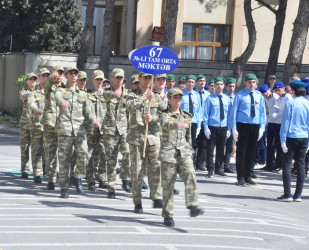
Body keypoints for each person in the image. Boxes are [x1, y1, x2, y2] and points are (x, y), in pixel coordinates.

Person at [159, 88, 204, 227]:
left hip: (184, 152)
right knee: (168, 185)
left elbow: (188, 136)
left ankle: (192, 204)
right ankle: (168, 215)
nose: (178, 100)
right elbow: (163, 124)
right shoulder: (163, 114)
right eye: (175, 97)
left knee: (190, 173)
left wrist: (190, 151)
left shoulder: (187, 116)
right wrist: (176, 124)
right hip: (169, 153)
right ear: (169, 99)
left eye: (180, 97)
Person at [55, 66, 99, 198]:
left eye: (76, 73)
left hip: (80, 130)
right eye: (71, 73)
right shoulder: (60, 90)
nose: (74, 75)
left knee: (83, 153)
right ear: (66, 76)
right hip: (65, 130)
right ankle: (64, 187)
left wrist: (94, 120)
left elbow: (89, 111)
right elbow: (57, 97)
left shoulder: (83, 94)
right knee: (64, 159)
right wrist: (62, 101)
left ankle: (78, 177)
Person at [126, 72, 165, 213]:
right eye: (146, 77)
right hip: (137, 139)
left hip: (153, 138)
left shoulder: (156, 95)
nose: (148, 80)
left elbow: (164, 112)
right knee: (137, 172)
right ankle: (137, 202)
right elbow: (129, 106)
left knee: (156, 168)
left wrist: (153, 118)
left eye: (150, 77)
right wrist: (144, 98)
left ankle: (156, 196)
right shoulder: (132, 93)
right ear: (140, 78)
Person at [231, 73, 266, 186]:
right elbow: (234, 112)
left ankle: (248, 175)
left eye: (253, 82)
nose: (251, 84)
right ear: (245, 83)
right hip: (242, 125)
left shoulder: (259, 96)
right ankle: (240, 176)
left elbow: (262, 113)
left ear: (256, 83)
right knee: (241, 152)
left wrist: (262, 127)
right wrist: (233, 128)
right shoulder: (240, 95)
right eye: (249, 82)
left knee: (252, 152)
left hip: (255, 125)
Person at [278, 81, 309, 202]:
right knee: (301, 165)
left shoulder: (290, 103)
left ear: (293, 91)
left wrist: (282, 140)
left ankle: (287, 194)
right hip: (304, 137)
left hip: (291, 136)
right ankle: (298, 195)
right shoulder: (308, 104)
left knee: (286, 164)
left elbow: (285, 122)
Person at [102, 68, 131, 198]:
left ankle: (125, 178)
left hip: (124, 130)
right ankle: (111, 187)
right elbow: (110, 96)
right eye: (117, 77)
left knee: (128, 154)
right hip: (110, 131)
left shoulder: (129, 94)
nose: (119, 80)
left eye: (121, 78)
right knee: (111, 159)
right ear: (112, 78)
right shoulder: (106, 92)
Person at [203, 77, 232, 177]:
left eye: (221, 84)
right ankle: (210, 169)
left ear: (224, 86)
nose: (219, 86)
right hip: (212, 127)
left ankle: (219, 168)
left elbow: (229, 116)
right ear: (214, 86)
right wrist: (205, 127)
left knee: (221, 149)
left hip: (223, 127)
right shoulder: (210, 98)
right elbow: (205, 114)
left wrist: (229, 129)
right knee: (210, 149)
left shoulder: (227, 99)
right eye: (217, 84)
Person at [43, 65, 65, 190]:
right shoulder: (49, 88)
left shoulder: (66, 89)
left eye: (61, 73)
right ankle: (51, 179)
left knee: (64, 153)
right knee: (51, 152)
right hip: (50, 123)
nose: (59, 75)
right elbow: (46, 83)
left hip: (63, 123)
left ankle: (64, 178)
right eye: (57, 73)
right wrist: (51, 78)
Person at [86, 70, 108, 191]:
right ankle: (90, 179)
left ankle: (102, 177)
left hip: (104, 130)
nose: (99, 81)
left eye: (101, 79)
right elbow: (85, 113)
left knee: (104, 154)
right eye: (97, 79)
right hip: (91, 130)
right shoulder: (88, 95)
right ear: (93, 80)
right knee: (89, 155)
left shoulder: (107, 95)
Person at [27, 68, 49, 183]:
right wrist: (36, 109)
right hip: (36, 125)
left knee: (49, 150)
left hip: (49, 126)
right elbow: (31, 103)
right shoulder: (33, 92)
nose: (45, 77)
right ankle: (37, 173)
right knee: (37, 150)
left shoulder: (53, 91)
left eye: (47, 75)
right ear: (39, 77)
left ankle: (47, 171)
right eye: (43, 75)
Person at [180, 75, 201, 167]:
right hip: (183, 122)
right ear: (185, 83)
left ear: (195, 84)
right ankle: (181, 164)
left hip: (194, 122)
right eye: (189, 82)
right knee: (182, 143)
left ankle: (191, 164)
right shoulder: (180, 94)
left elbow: (199, 111)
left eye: (192, 82)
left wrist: (199, 126)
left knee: (193, 144)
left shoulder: (197, 95)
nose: (190, 84)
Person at [19, 72, 37, 178]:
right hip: (25, 123)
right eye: (31, 79)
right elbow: (23, 96)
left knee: (37, 148)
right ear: (27, 81)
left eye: (34, 79)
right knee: (24, 147)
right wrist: (29, 94)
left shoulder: (40, 92)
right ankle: (25, 170)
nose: (33, 81)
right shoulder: (23, 91)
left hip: (36, 124)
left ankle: (39, 170)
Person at [258, 84, 279, 172]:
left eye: (266, 92)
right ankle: (269, 163)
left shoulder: (276, 97)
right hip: (270, 121)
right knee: (269, 144)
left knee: (276, 144)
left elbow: (279, 108)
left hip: (278, 121)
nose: (265, 94)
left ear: (269, 90)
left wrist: (276, 114)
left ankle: (277, 164)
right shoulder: (265, 98)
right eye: (263, 93)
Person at [194, 74, 210, 172]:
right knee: (194, 143)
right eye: (200, 81)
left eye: (204, 81)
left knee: (203, 143)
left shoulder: (208, 94)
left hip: (204, 121)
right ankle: (192, 162)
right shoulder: (194, 93)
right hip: (196, 120)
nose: (202, 82)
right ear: (196, 83)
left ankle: (200, 163)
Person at [223, 78, 237, 174]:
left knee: (230, 146)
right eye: (230, 86)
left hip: (232, 125)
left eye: (233, 86)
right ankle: (219, 165)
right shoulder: (223, 97)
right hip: (223, 125)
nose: (231, 88)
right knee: (220, 146)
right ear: (226, 86)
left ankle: (227, 165)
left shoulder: (236, 98)